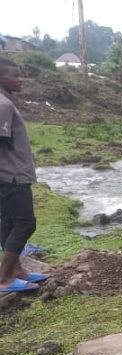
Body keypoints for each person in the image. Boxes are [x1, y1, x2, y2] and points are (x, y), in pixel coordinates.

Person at [0, 59, 45, 293]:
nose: (20, 80)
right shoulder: (3, 105)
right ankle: (4, 277)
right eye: (15, 76)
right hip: (12, 176)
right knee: (26, 223)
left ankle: (16, 271)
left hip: (10, 175)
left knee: (8, 222)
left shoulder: (7, 102)